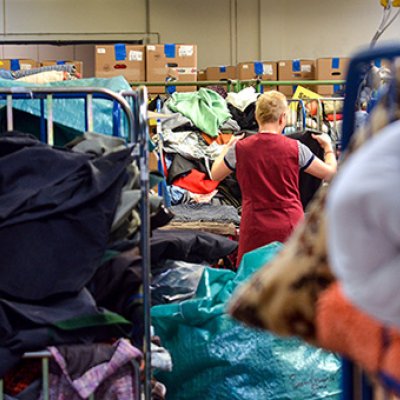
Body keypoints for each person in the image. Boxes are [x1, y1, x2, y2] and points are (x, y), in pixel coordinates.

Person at [211, 90, 337, 264]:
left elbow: (214, 174)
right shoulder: (296, 148)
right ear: (283, 117)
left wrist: (226, 147)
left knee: (250, 280)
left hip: (254, 228)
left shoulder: (240, 149)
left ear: (257, 117)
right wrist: (328, 148)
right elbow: (331, 173)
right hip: (289, 225)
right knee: (291, 281)